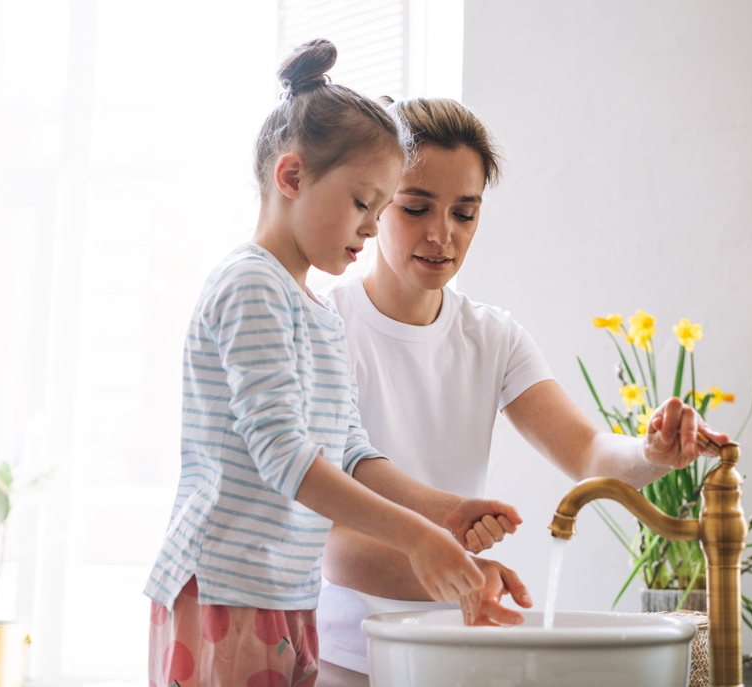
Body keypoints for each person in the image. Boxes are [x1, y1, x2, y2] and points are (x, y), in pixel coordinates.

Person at [315, 97, 729, 687]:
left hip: (452, 652)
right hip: (341, 656)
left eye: (465, 213)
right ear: (378, 200)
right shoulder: (324, 328)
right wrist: (465, 568)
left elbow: (587, 454)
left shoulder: (492, 337)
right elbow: (331, 546)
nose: (442, 234)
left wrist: (651, 452)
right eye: (415, 207)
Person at [143, 42, 520, 687]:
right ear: (291, 178)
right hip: (225, 589)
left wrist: (444, 513)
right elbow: (285, 457)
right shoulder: (250, 286)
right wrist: (416, 539)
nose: (373, 229)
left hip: (284, 589)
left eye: (379, 211)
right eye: (362, 204)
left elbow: (349, 449)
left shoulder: (316, 312)